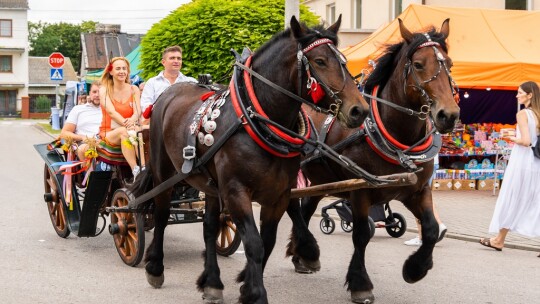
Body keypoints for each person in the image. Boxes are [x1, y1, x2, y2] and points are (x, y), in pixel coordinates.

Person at [479, 81, 540, 256]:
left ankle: (499, 240)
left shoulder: (523, 114)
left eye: (520, 93)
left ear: (529, 95)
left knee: (513, 198)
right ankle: (499, 239)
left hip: (522, 161)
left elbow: (526, 141)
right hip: (537, 162)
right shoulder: (538, 114)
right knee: (534, 200)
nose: (516, 95)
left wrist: (511, 137)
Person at [98, 57, 143, 179]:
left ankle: (145, 167)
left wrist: (132, 121)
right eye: (118, 68)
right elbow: (111, 112)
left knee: (142, 133)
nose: (122, 71)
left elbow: (138, 111)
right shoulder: (104, 90)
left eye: (124, 68)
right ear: (111, 71)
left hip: (132, 128)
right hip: (110, 132)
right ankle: (136, 170)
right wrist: (127, 124)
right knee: (124, 132)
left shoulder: (134, 89)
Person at [140, 45, 197, 119]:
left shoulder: (191, 82)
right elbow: (145, 106)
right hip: (160, 123)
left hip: (185, 124)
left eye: (179, 58)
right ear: (163, 62)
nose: (176, 61)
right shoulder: (152, 83)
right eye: (172, 58)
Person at [404, 154, 447, 246]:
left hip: (420, 163)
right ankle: (439, 224)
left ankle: (421, 236)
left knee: (417, 197)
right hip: (432, 162)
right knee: (425, 195)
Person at [60, 81, 102, 160]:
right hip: (84, 144)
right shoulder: (78, 109)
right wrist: (82, 137)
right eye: (94, 92)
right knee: (86, 149)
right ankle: (88, 172)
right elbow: (64, 133)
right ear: (89, 93)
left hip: (105, 144)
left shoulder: (110, 110)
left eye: (100, 92)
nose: (97, 95)